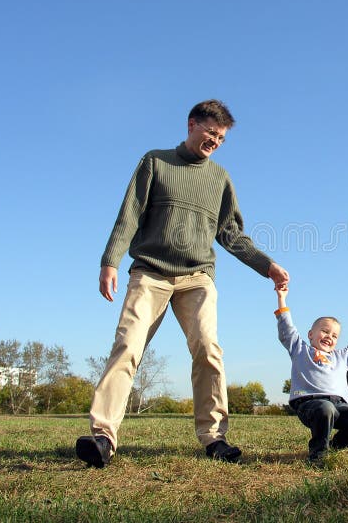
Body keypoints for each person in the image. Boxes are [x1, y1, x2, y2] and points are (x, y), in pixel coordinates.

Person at [75, 99, 290, 468]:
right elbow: (129, 214)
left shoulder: (220, 178)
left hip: (197, 277)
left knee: (208, 349)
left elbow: (231, 234)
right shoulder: (155, 162)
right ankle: (103, 438)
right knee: (128, 345)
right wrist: (110, 260)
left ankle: (215, 438)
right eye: (211, 132)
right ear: (191, 124)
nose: (215, 141)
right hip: (150, 272)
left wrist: (266, 265)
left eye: (222, 138)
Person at [275, 284, 348, 466]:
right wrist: (282, 299)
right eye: (325, 331)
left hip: (340, 405)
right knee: (325, 408)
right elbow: (287, 330)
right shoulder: (300, 350)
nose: (330, 336)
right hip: (311, 404)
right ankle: (318, 454)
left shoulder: (341, 357)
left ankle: (339, 447)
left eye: (335, 336)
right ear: (311, 334)